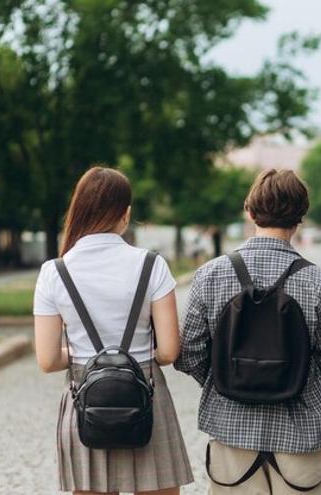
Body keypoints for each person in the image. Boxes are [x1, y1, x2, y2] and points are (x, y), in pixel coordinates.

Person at [176, 169, 321, 494]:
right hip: (301, 432)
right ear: (301, 217)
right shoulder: (319, 282)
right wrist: (297, 379)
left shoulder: (210, 275)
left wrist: (228, 378)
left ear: (249, 211)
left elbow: (190, 354)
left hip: (231, 427)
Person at [33, 166, 193, 495]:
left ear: (79, 210)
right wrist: (139, 354)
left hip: (85, 397)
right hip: (145, 391)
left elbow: (47, 360)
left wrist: (84, 354)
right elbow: (168, 351)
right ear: (125, 214)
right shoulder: (152, 265)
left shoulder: (54, 272)